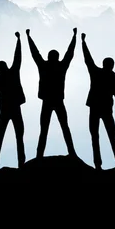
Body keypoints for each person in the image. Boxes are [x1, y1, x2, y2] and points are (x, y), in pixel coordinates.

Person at [26, 27, 78, 159]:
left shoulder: (43, 66)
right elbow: (69, 53)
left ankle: (39, 155)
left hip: (47, 102)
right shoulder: (61, 66)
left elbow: (34, 53)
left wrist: (28, 37)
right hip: (58, 101)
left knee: (44, 130)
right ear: (57, 57)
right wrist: (74, 37)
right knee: (65, 127)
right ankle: (72, 152)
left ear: (49, 57)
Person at [81, 32, 115, 170]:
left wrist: (83, 43)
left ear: (103, 64)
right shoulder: (114, 79)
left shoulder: (96, 73)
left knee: (94, 136)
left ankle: (98, 164)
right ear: (112, 66)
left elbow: (88, 60)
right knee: (112, 136)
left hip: (94, 108)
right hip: (107, 110)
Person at [0, 31, 26, 172]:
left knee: (0, 138)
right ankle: (21, 164)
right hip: (15, 109)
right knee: (19, 137)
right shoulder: (12, 72)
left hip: (5, 111)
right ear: (5, 66)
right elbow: (18, 57)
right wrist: (19, 40)